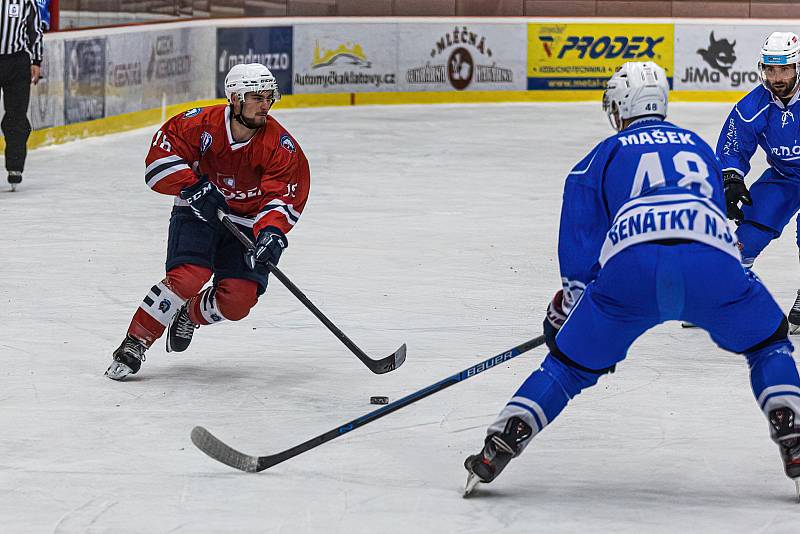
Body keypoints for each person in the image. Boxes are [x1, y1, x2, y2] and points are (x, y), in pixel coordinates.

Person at [463, 61, 800, 497]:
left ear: (620, 106)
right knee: (767, 343)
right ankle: (792, 433)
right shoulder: (696, 146)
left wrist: (568, 305)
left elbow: (581, 241)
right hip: (712, 268)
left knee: (565, 368)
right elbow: (714, 213)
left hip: (632, 274)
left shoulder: (602, 154)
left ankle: (502, 442)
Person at [105, 63, 310, 380]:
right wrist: (192, 185)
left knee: (238, 302)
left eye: (270, 97)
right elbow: (156, 164)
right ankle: (135, 342)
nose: (265, 105)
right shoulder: (198, 124)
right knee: (188, 276)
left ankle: (190, 312)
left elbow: (283, 196)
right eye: (257, 97)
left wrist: (271, 233)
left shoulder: (280, 146)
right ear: (235, 98)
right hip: (198, 211)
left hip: (248, 220)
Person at [717, 32, 800, 333]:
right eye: (770, 69)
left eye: (784, 69)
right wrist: (731, 178)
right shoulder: (753, 107)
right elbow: (733, 148)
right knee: (750, 228)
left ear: (797, 67)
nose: (777, 77)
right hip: (784, 176)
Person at [0, 0, 43, 191]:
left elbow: (35, 30)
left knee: (16, 117)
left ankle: (15, 167)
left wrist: (36, 60)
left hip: (17, 62)